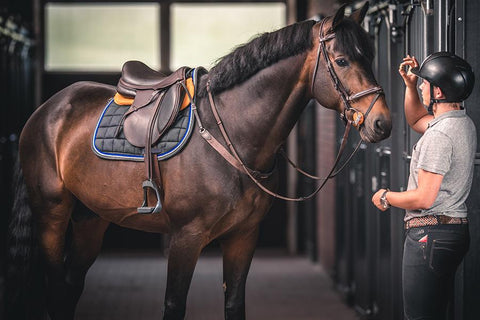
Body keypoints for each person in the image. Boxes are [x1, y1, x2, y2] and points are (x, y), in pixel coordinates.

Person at [372, 52, 476, 319]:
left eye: (424, 83)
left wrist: (386, 196)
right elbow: (416, 120)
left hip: (430, 235)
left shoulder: (439, 136)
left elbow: (423, 199)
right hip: (451, 233)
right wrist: (409, 85)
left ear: (438, 92)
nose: (420, 86)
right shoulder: (460, 123)